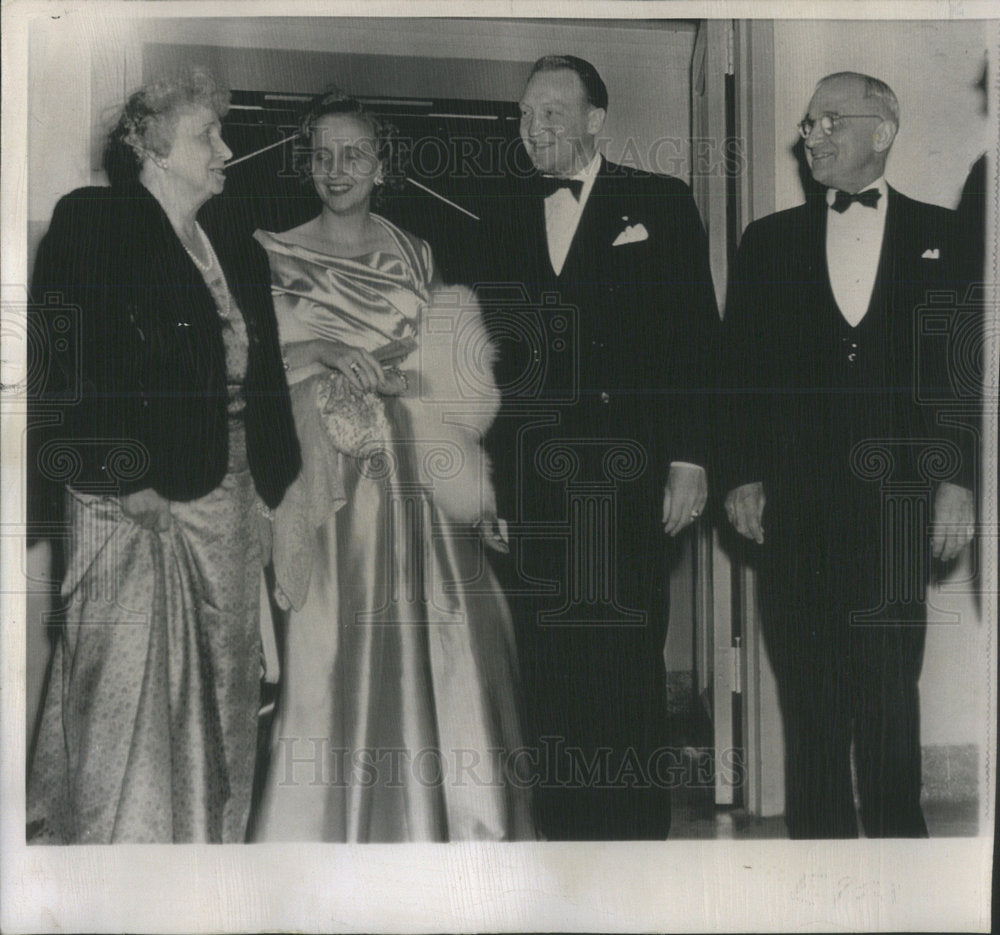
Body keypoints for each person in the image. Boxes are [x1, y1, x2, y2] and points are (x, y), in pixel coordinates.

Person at [25, 68, 301, 843]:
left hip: (234, 495)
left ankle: (205, 861)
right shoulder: (94, 220)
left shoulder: (234, 245)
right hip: (135, 502)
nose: (226, 147)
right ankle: (116, 872)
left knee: (225, 684)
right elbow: (64, 362)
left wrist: (276, 490)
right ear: (151, 142)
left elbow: (268, 376)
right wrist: (125, 474)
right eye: (207, 133)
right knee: (126, 693)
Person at [251, 90, 534, 842]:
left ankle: (439, 828)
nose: (335, 170)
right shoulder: (271, 251)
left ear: (382, 164)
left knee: (444, 649)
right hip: (328, 490)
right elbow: (245, 372)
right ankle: (319, 832)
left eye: (353, 155)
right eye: (321, 156)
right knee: (328, 658)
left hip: (417, 484)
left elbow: (448, 378)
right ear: (305, 165)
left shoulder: (416, 252)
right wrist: (316, 356)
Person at [721, 72, 976, 838]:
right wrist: (740, 474)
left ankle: (904, 869)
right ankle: (819, 872)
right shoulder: (768, 242)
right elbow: (739, 372)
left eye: (831, 120)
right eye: (807, 125)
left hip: (900, 504)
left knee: (891, 692)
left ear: (884, 131)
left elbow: (962, 369)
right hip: (797, 510)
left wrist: (959, 478)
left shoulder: (951, 234)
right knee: (811, 702)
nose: (813, 136)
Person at [476, 55, 719, 840]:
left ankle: (634, 856)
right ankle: (566, 857)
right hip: (535, 486)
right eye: (523, 114)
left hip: (632, 479)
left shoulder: (659, 202)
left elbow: (696, 341)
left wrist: (690, 458)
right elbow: (482, 364)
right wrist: (488, 487)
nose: (532, 127)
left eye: (551, 112)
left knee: (624, 674)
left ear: (594, 120)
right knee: (549, 677)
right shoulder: (499, 213)